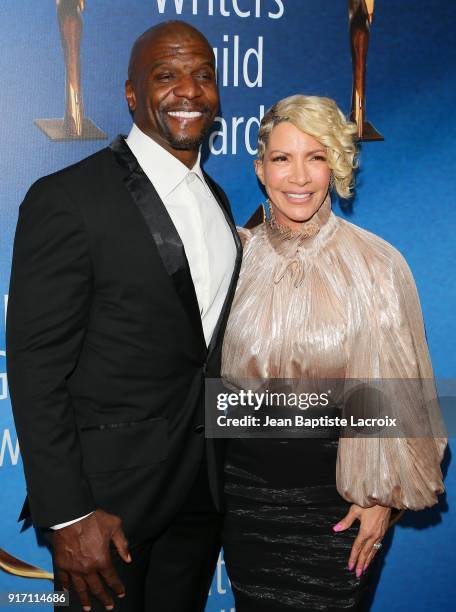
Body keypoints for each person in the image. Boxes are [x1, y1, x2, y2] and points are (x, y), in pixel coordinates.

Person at [7, 20, 241, 612]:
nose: (189, 90)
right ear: (132, 94)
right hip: (107, 509)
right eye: (166, 76)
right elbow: (35, 370)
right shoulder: (67, 199)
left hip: (201, 495)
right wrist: (68, 513)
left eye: (204, 75)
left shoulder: (217, 198)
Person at [220, 95, 446, 611]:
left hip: (341, 503)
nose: (298, 176)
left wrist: (383, 496)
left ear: (336, 165)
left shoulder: (376, 264)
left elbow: (404, 398)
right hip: (246, 502)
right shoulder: (231, 258)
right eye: (282, 158)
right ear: (260, 168)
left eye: (315, 157)